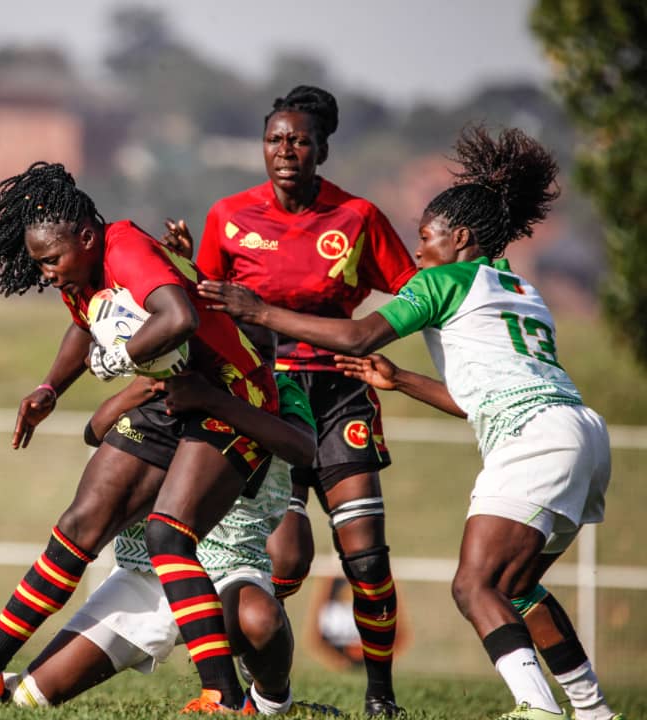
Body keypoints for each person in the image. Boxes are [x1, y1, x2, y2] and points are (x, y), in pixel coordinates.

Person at [198, 125, 622, 720]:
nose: (418, 252)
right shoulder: (523, 289)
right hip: (581, 431)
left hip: (534, 438)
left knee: (475, 587)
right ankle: (595, 710)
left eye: (427, 238)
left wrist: (259, 310)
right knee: (517, 585)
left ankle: (537, 709)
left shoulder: (440, 279)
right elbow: (484, 397)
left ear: (462, 237)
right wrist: (401, 381)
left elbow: (355, 332)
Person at [0, 161, 280, 713]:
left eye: (53, 259)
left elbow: (178, 317)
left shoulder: (125, 247)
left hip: (229, 399)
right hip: (170, 393)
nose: (48, 273)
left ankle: (224, 697)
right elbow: (86, 323)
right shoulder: (79, 271)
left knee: (168, 534)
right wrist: (50, 388)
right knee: (79, 525)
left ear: (86, 236)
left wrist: (121, 357)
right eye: (40, 264)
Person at [162, 86, 417, 717]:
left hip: (338, 395)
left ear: (322, 149)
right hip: (266, 397)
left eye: (300, 140)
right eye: (275, 139)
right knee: (289, 556)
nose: (286, 151)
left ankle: (381, 697)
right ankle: (262, 690)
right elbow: (208, 307)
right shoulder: (229, 215)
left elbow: (416, 294)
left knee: (365, 554)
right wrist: (185, 268)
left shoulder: (357, 218)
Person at [0, 370, 342, 717]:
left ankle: (275, 705)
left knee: (260, 619)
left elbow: (302, 448)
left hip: (227, 566)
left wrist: (213, 400)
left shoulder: (275, 386)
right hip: (148, 573)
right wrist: (141, 388)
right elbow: (96, 430)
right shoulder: (172, 373)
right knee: (28, 698)